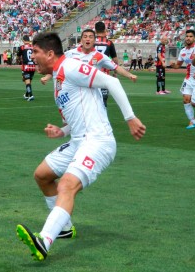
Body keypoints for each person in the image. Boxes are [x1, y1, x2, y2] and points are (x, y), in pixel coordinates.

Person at [16, 31, 146, 261]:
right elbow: (79, 113)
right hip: (78, 140)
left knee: (67, 185)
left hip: (97, 141)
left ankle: (44, 241)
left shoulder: (71, 67)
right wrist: (62, 131)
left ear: (49, 53)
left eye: (35, 52)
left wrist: (130, 117)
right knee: (42, 175)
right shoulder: (58, 77)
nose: (31, 57)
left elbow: (111, 81)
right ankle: (64, 227)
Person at [41, 29, 137, 87]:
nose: (88, 39)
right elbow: (57, 66)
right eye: (85, 37)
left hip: (92, 92)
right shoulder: (70, 54)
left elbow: (115, 67)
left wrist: (130, 75)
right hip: (75, 91)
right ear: (81, 40)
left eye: (91, 37)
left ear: (94, 40)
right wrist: (47, 77)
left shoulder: (99, 56)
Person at [170, 29, 195, 129]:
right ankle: (192, 122)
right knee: (186, 99)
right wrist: (173, 65)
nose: (188, 38)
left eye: (190, 36)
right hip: (189, 79)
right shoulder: (183, 51)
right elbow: (178, 66)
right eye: (187, 36)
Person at [94, 21, 119, 106]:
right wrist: (115, 73)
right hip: (104, 74)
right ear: (104, 30)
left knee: (92, 100)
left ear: (95, 30)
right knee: (103, 102)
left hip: (92, 74)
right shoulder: (109, 43)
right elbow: (115, 60)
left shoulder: (91, 42)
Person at [17, 35, 36, 101]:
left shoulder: (22, 47)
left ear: (23, 40)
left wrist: (19, 60)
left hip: (26, 67)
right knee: (28, 81)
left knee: (27, 81)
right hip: (33, 67)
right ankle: (26, 95)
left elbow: (18, 56)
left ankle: (31, 95)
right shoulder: (33, 47)